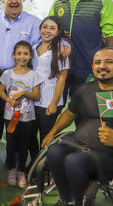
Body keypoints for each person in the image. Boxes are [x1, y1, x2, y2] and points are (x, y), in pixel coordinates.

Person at [42, 48, 113, 206]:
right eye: (98, 62)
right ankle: (66, 199)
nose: (102, 66)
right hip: (80, 144)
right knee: (54, 151)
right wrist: (51, 133)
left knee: (74, 161)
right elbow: (69, 114)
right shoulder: (85, 90)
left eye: (109, 62)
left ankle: (81, 202)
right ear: (93, 67)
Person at [0, 0, 70, 152]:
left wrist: (64, 43)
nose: (14, 1)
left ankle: (18, 153)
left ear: (23, 0)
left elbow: (51, 37)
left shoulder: (34, 22)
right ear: (3, 1)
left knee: (20, 117)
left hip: (21, 78)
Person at [49, 0, 113, 97]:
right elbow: (50, 28)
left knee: (85, 109)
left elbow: (111, 32)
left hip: (88, 68)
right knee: (54, 106)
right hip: (61, 66)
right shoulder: (58, 2)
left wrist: (109, 62)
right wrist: (60, 34)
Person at [0, 40, 42, 188]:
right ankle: (12, 169)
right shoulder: (7, 73)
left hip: (27, 118)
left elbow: (36, 96)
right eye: (19, 53)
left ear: (30, 56)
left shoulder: (33, 75)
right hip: (10, 117)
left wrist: (24, 92)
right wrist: (9, 100)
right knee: (11, 145)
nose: (22, 57)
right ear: (14, 55)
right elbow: (1, 91)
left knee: (24, 146)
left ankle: (21, 171)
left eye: (25, 54)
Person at [32, 16, 70, 147]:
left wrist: (54, 103)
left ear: (58, 31)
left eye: (52, 28)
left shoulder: (60, 51)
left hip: (49, 101)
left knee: (45, 135)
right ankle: (33, 162)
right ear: (40, 29)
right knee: (31, 134)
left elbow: (62, 78)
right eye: (45, 27)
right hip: (33, 99)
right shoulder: (33, 49)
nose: (47, 30)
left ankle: (43, 165)